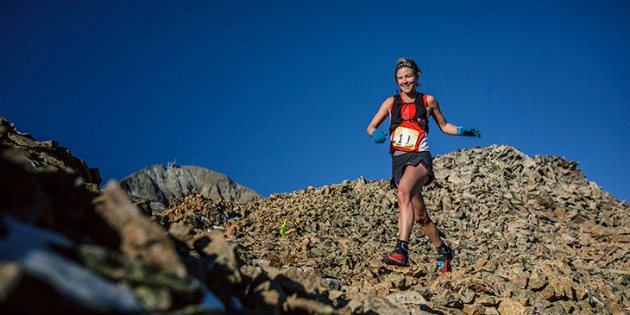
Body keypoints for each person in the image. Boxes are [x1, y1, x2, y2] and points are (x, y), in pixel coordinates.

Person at [367, 58, 480, 274]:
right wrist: (376, 134)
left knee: (402, 194)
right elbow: (371, 127)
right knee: (420, 216)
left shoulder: (428, 101)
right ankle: (443, 251)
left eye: (408, 76)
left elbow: (444, 125)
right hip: (398, 161)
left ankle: (401, 251)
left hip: (419, 156)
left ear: (417, 76)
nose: (404, 81)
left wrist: (460, 130)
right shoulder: (390, 103)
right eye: (400, 78)